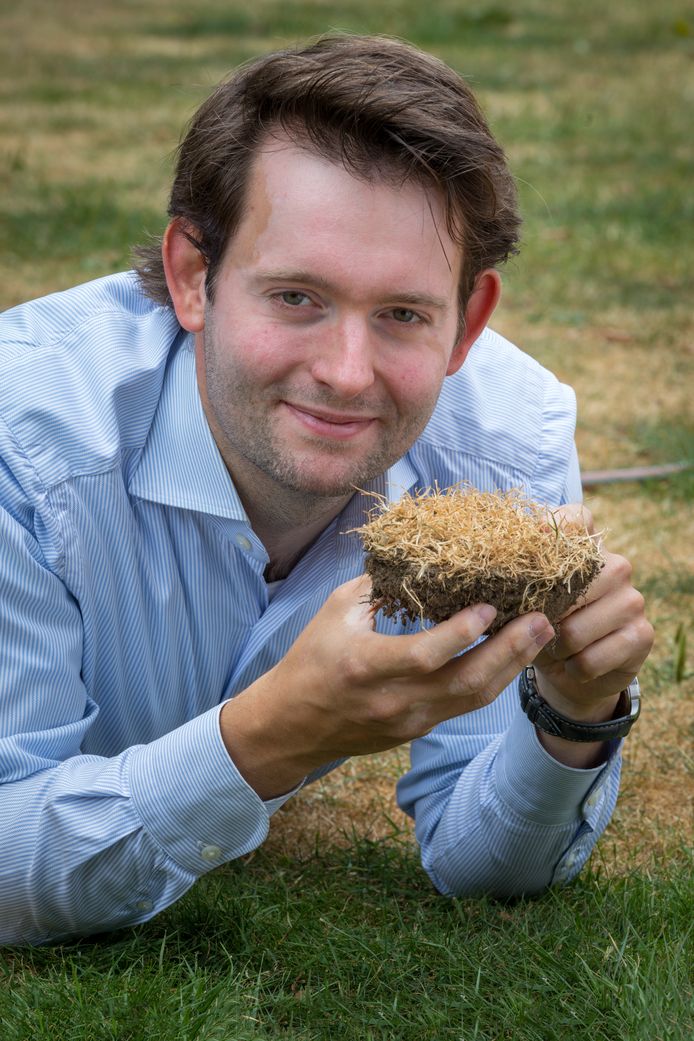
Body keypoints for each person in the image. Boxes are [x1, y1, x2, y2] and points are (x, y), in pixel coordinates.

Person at [0, 34, 653, 946]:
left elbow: (486, 864)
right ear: (193, 277)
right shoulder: (24, 442)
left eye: (403, 314)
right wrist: (273, 737)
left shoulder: (507, 442)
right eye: (296, 297)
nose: (347, 374)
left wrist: (572, 711)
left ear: (467, 324)